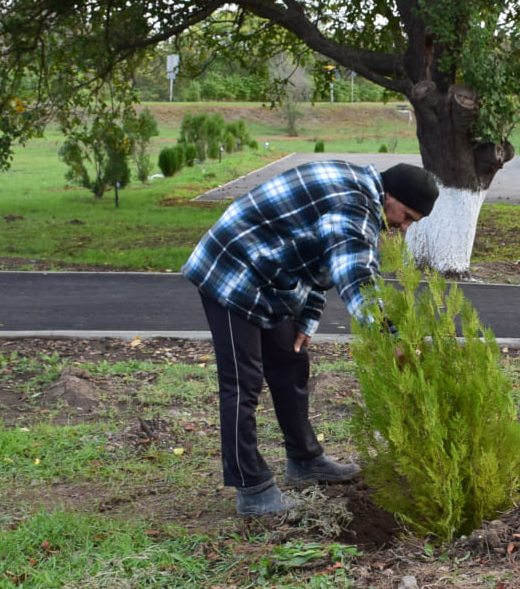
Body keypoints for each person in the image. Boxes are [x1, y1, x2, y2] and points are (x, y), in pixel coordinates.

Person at [183, 159, 439, 516]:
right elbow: (356, 275)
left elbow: (319, 258)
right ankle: (252, 488)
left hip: (271, 275)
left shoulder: (359, 190)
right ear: (390, 194)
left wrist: (307, 317)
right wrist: (389, 336)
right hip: (232, 268)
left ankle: (305, 460)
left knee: (290, 363)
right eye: (407, 215)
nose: (403, 227)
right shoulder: (354, 205)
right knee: (243, 382)